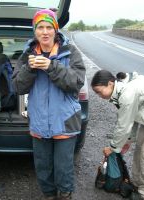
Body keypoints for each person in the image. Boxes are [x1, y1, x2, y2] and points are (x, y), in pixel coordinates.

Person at [12, 9, 85, 200]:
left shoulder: (70, 52)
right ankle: (49, 195)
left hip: (65, 121)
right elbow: (18, 86)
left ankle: (65, 195)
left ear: (56, 29)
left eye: (48, 27)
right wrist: (30, 68)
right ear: (35, 31)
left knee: (63, 167)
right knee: (43, 166)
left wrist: (50, 66)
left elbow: (76, 82)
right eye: (40, 28)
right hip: (39, 121)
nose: (45, 32)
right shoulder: (28, 54)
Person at [91, 69, 144, 200]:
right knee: (139, 148)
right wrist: (128, 140)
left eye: (99, 91)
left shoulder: (127, 94)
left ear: (110, 83)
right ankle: (137, 184)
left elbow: (124, 125)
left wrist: (112, 147)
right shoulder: (121, 90)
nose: (99, 96)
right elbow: (132, 118)